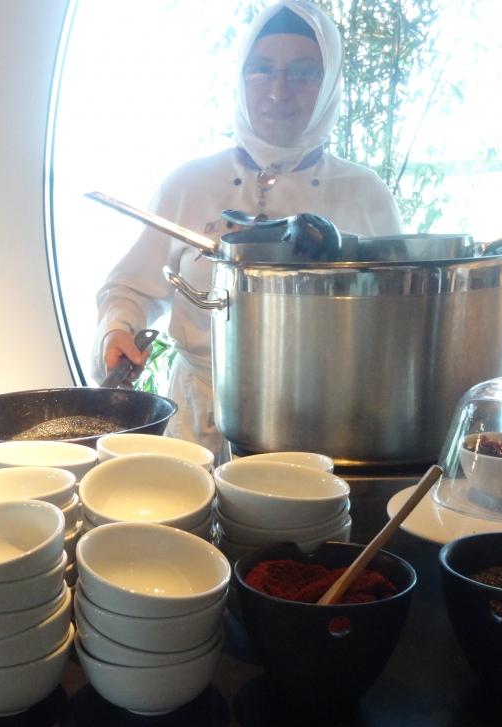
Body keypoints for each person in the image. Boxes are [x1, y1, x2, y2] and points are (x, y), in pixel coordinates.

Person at [91, 0, 403, 457]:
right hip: (199, 423)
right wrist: (117, 329)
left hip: (323, 425)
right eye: (261, 70)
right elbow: (131, 288)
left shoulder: (364, 192)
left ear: (330, 84)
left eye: (303, 73)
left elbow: (395, 319)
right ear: (240, 78)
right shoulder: (190, 184)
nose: (279, 91)